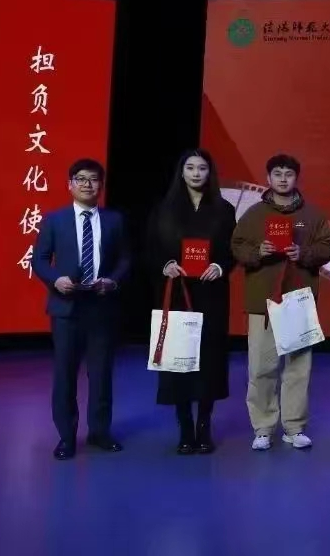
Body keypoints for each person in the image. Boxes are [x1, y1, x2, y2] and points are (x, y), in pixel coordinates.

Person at [230, 154, 330, 451]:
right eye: (277, 173)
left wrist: (302, 253)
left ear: (296, 178)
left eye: (289, 174)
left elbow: (326, 248)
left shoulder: (312, 215)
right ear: (268, 178)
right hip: (262, 301)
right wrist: (258, 252)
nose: (283, 179)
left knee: (298, 368)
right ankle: (263, 427)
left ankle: (293, 427)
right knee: (260, 367)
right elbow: (236, 246)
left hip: (299, 299)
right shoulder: (254, 214)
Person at [32, 159, 131, 460]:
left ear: (101, 185)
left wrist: (113, 281)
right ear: (70, 184)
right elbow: (39, 260)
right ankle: (66, 437)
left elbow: (126, 259)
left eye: (93, 179)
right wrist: (55, 280)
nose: (87, 184)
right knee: (65, 375)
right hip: (66, 308)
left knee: (101, 375)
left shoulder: (114, 220)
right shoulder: (54, 220)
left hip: (101, 305)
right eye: (81, 179)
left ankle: (99, 432)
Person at [146, 149, 236, 455]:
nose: (196, 173)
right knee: (179, 362)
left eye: (202, 168)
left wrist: (221, 266)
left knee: (209, 361)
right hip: (176, 292)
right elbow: (150, 249)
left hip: (212, 295)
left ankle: (204, 427)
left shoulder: (224, 209)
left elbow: (232, 249)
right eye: (190, 168)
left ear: (210, 173)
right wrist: (165, 265)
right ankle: (185, 427)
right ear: (181, 172)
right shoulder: (164, 209)